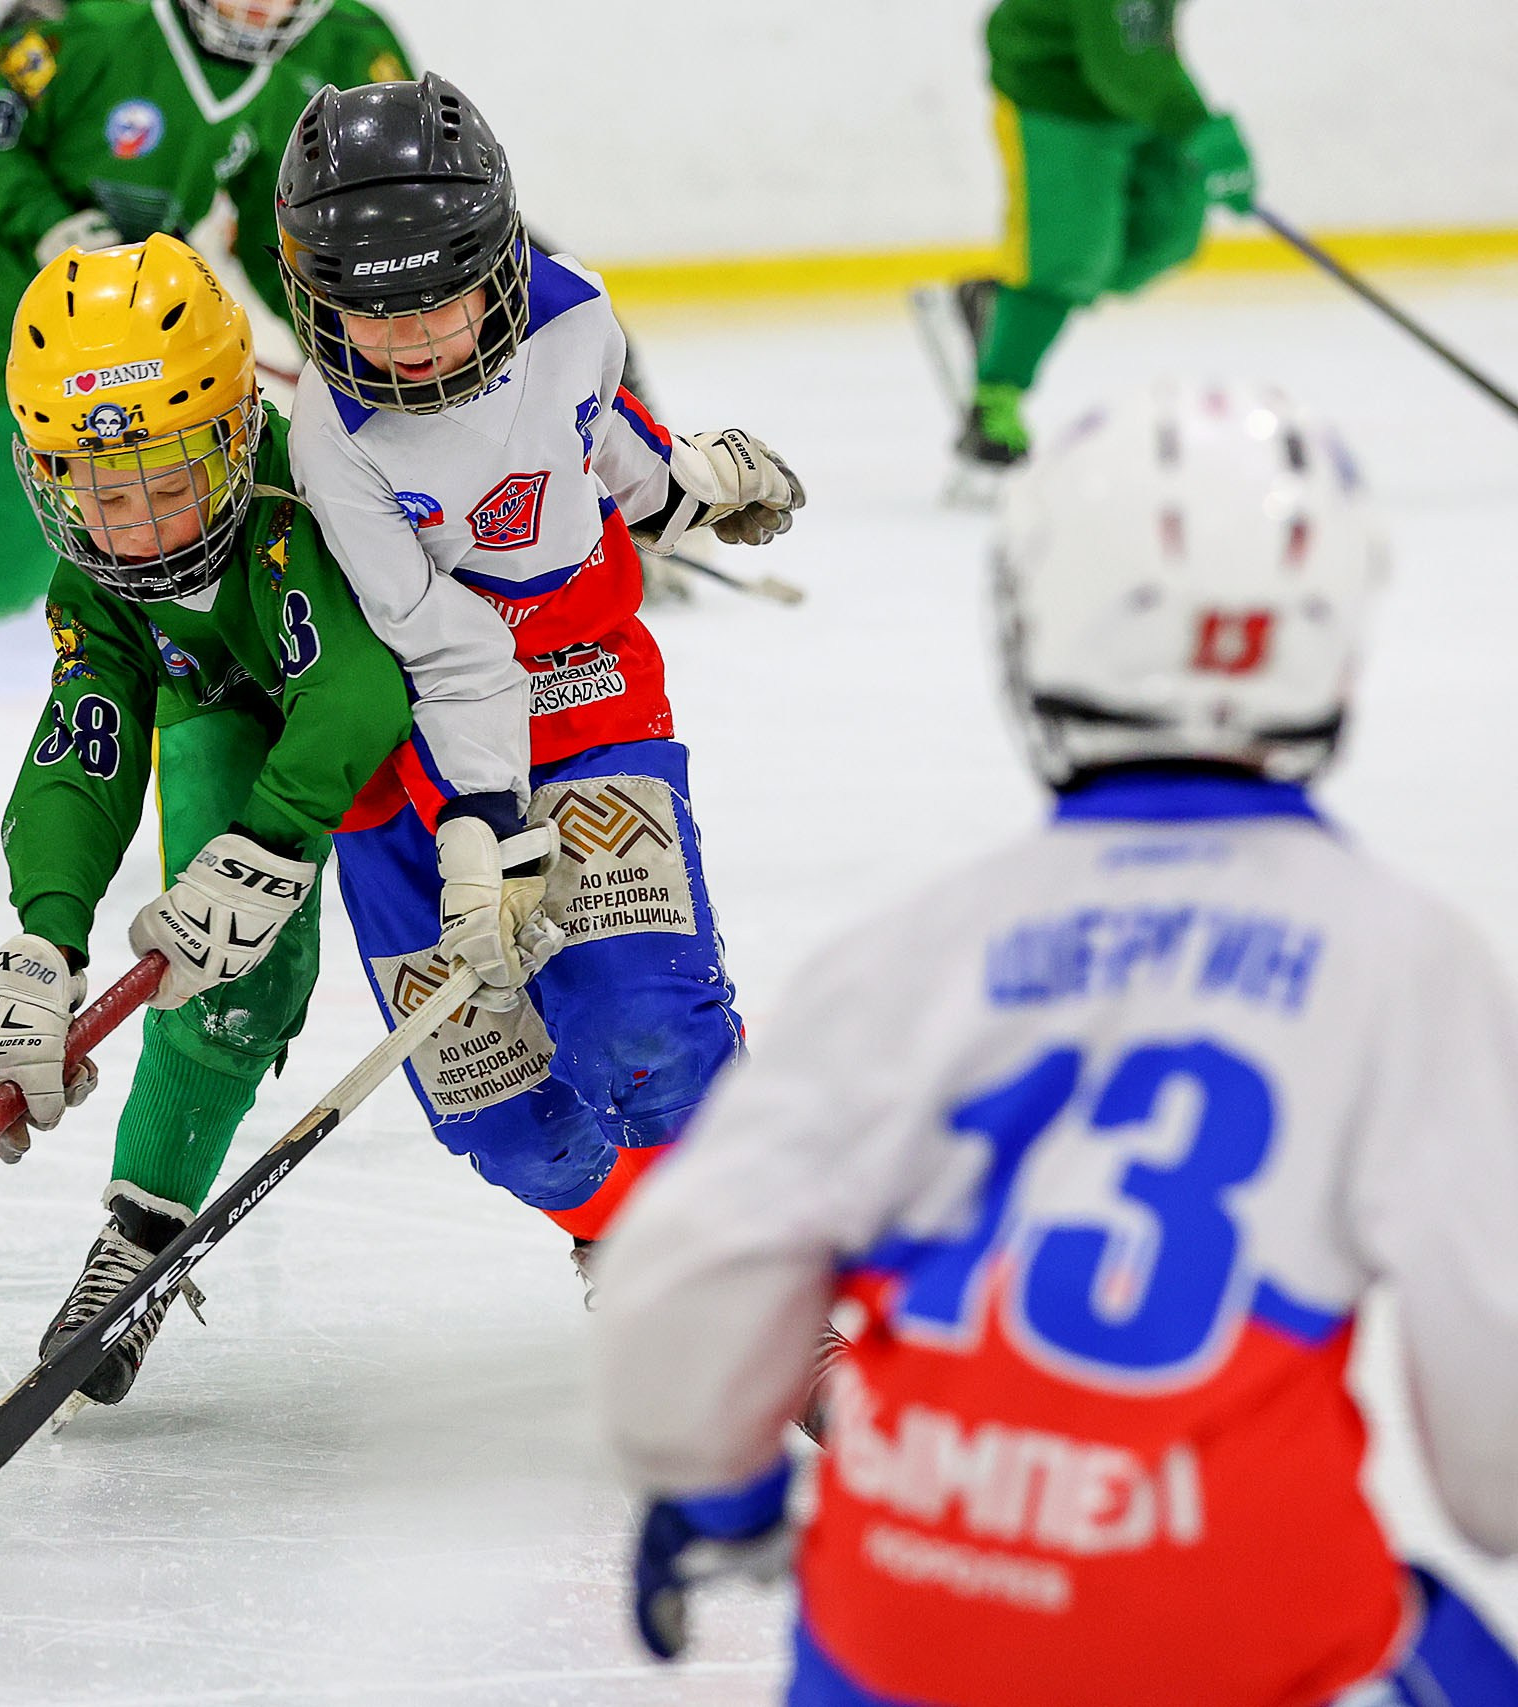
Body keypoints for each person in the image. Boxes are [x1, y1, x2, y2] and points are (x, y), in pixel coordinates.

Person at [592, 380, 1518, 1705]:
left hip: (910, 1622)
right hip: (1234, 1624)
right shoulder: (1411, 960)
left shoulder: (910, 949)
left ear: (1033, 632)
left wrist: (733, 1492)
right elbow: (1496, 1469)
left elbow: (674, 1306)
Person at [272, 74, 803, 1278]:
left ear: (498, 265)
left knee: (648, 1035)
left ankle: (749, 1260)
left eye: (440, 309)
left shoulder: (574, 315)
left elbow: (589, 434)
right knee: (510, 1124)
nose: (409, 347)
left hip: (581, 684)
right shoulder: (332, 441)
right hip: (412, 759)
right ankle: (621, 1242)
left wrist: (685, 486)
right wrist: (484, 828)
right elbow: (442, 650)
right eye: (373, 317)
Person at [0, 233, 415, 1405]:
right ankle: (138, 1241)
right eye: (101, 492)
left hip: (421, 723)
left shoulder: (299, 494)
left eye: (171, 480)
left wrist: (268, 847)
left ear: (235, 432)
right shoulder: (100, 577)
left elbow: (359, 690)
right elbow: (84, 743)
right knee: (232, 986)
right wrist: (47, 939)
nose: (141, 530)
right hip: (235, 704)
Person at [0, 0, 412, 810]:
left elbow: (262, 231)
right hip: (5, 345)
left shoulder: (285, 88)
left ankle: (188, 760)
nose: (256, 8)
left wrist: (335, 332)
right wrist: (46, 220)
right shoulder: (100, 28)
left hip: (146, 365)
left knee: (162, 549)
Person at [933, 0, 1257, 500]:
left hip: (1134, 78)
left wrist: (1192, 120)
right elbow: (1116, 64)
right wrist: (1196, 126)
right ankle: (995, 398)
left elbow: (1137, 36)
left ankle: (1013, 309)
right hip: (1055, 88)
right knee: (1069, 259)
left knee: (1166, 237)